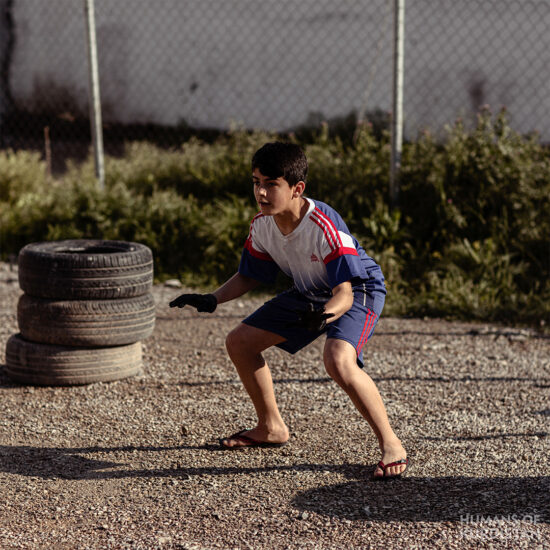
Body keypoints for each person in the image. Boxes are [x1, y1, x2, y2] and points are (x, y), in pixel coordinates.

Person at [170, 142, 408, 480]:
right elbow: (250, 274)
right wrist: (213, 298)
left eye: (271, 184)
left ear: (297, 189)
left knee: (338, 359)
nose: (261, 192)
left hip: (357, 290)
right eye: (256, 182)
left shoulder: (323, 225)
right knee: (240, 342)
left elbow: (343, 292)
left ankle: (392, 444)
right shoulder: (263, 225)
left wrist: (323, 317)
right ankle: (270, 427)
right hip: (310, 293)